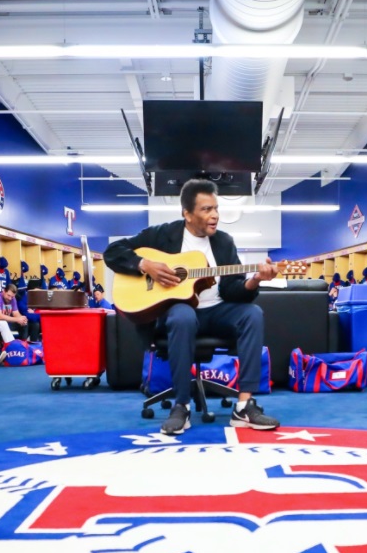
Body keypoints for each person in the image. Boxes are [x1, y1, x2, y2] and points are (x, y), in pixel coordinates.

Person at [103, 178, 280, 435]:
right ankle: (182, 405)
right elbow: (113, 251)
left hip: (216, 312)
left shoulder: (224, 242)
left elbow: (233, 290)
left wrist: (254, 280)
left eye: (216, 208)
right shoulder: (163, 234)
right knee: (183, 316)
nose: (215, 215)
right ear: (187, 214)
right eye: (206, 209)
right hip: (179, 312)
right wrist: (145, 264)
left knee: (253, 313)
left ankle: (243, 406)